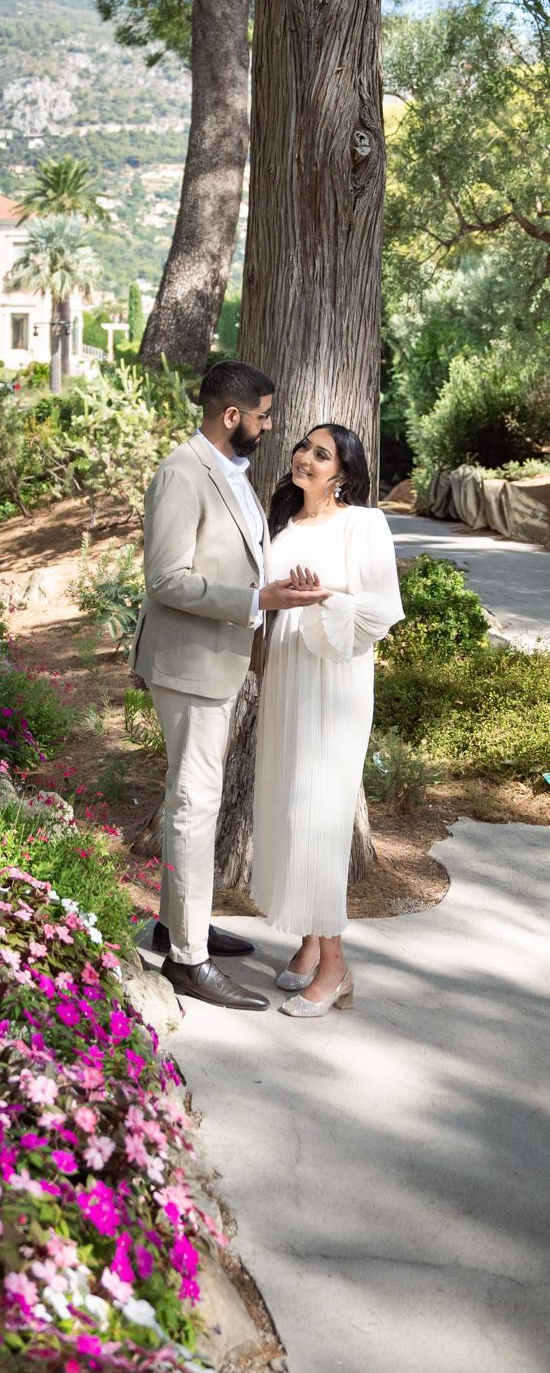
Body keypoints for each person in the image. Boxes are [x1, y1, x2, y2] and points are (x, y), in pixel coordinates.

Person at [131, 361, 331, 1012]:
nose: (270, 426)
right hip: (188, 664)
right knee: (193, 804)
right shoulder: (181, 473)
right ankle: (187, 961)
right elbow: (164, 579)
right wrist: (255, 600)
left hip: (217, 660)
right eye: (263, 415)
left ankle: (173, 924)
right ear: (231, 416)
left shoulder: (233, 476)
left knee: (194, 801)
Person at [251, 424, 403, 1017]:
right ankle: (310, 943)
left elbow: (383, 605)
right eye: (303, 447)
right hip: (288, 677)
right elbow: (263, 600)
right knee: (290, 805)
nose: (305, 458)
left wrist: (322, 594)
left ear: (344, 472)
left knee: (321, 811)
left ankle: (336, 966)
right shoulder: (283, 527)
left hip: (334, 681)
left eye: (322, 453)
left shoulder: (364, 523)